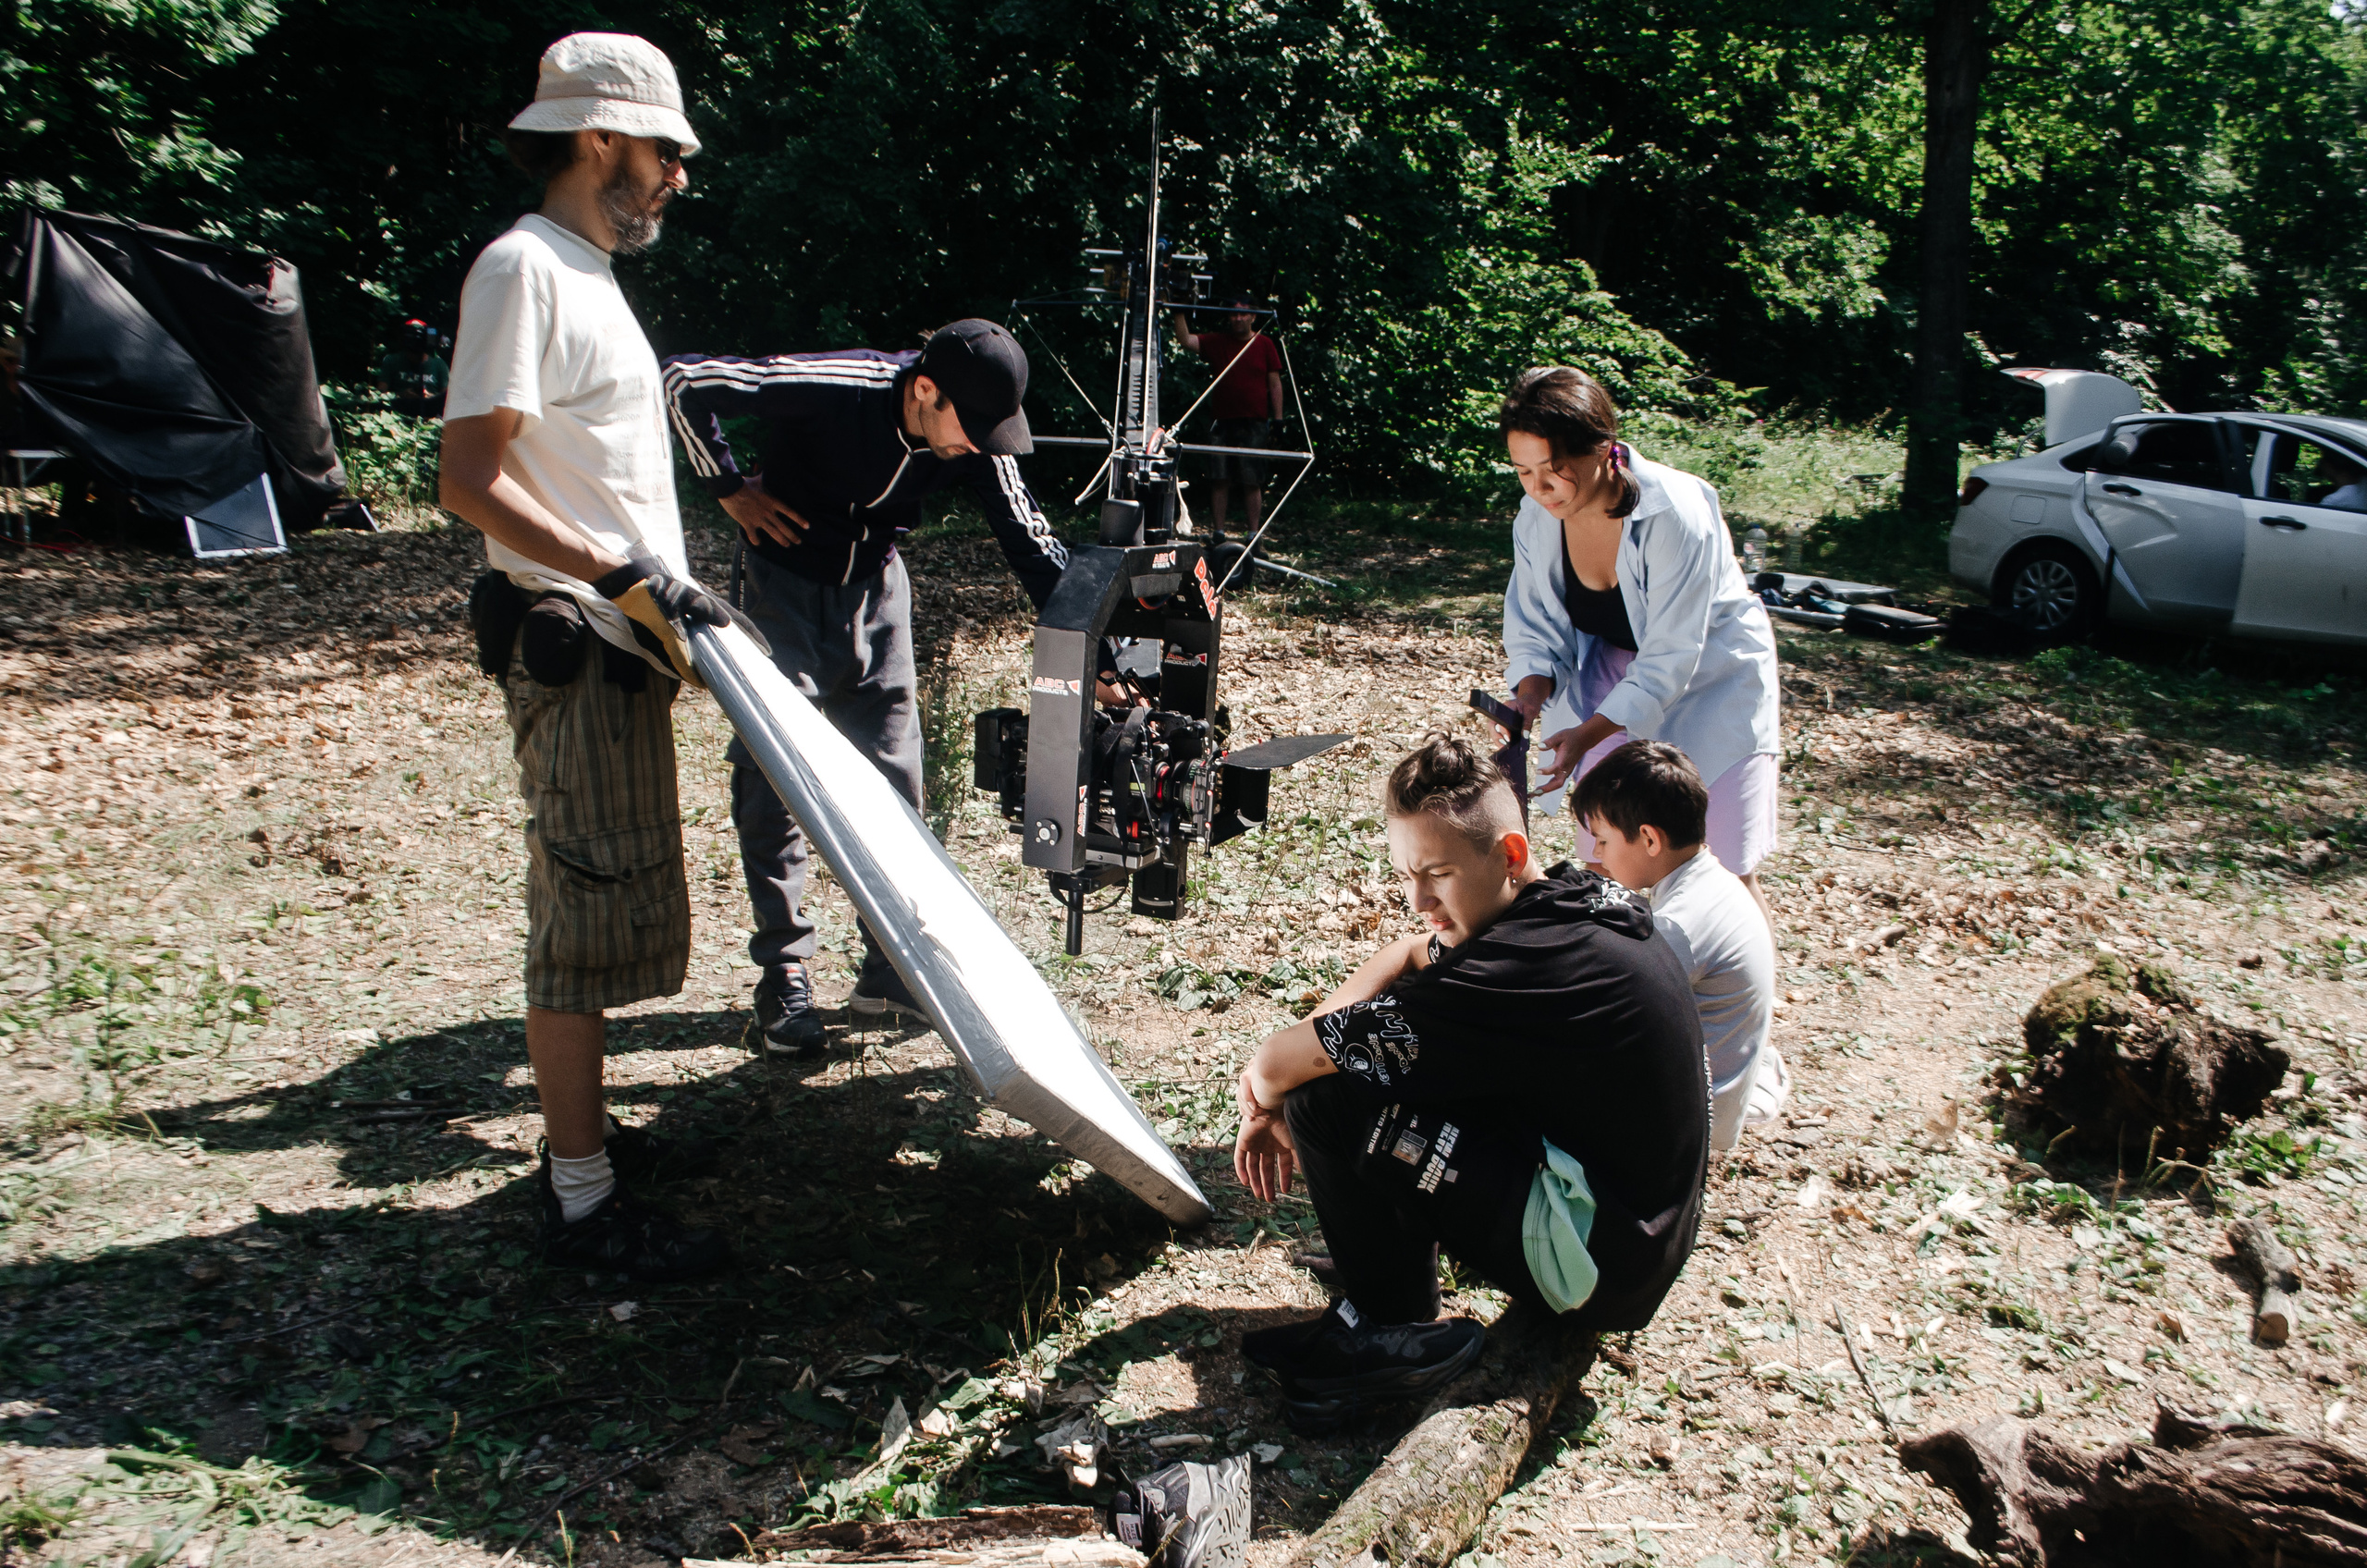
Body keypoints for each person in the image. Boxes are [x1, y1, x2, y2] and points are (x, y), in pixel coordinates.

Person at [438, 31, 730, 1281]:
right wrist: (615, 575)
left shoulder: (584, 270)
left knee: (613, 896)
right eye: (667, 151)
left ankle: (587, 1146)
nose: (677, 176)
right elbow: (469, 479)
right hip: (578, 640)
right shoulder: (524, 268)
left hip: (625, 644)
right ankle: (581, 1203)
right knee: (577, 914)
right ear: (600, 138)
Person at [1231, 735, 1706, 1430]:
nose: (1419, 899)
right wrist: (1315, 1047)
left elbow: (1282, 1063)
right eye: (1406, 875)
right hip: (1634, 1225)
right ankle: (1389, 1290)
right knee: (1373, 1068)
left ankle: (1385, 1326)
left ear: (1509, 855)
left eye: (1438, 874)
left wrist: (1266, 1099)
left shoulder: (1521, 970)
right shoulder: (1564, 902)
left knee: (1330, 1100)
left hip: (1598, 1265)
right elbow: (1406, 954)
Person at [662, 322, 1069, 1055]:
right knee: (773, 776)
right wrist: (726, 488)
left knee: (896, 782)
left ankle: (890, 974)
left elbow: (1027, 535)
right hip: (781, 584)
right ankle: (783, 973)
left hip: (876, 592)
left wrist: (1088, 640)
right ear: (923, 390)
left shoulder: (974, 439)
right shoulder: (835, 386)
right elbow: (684, 383)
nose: (978, 445)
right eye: (970, 427)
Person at [1497, 367, 1782, 922]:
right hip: (1610, 672)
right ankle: (1625, 993)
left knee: (1721, 869)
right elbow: (1536, 624)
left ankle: (1744, 1003)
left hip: (1713, 679)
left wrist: (1584, 735)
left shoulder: (1676, 511)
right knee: (1605, 857)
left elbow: (1672, 655)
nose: (1540, 488)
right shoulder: (1536, 516)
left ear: (1605, 449)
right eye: (1523, 472)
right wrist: (1529, 696)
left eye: (1555, 470)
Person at [1576, 740, 1783, 1151]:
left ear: (1650, 839)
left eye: (1602, 840)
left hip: (1696, 1116)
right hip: (1716, 1080)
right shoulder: (1709, 880)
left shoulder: (1681, 925)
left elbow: (1596, 1004)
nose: (1596, 855)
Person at [1170, 297, 1284, 540]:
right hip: (1221, 421)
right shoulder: (1218, 341)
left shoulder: (1264, 343)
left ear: (1253, 317)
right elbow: (1186, 341)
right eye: (1233, 314)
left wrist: (1278, 419)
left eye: (1243, 314)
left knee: (1252, 480)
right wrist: (1178, 312)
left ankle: (1253, 534)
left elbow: (1274, 383)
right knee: (1219, 477)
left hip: (1254, 421)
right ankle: (1218, 532)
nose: (1238, 319)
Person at [375, 319, 449, 420]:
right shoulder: (391, 361)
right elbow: (380, 395)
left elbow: (448, 400)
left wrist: (430, 397)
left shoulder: (439, 365)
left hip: (430, 418)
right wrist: (401, 395)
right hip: (398, 416)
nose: (415, 356)